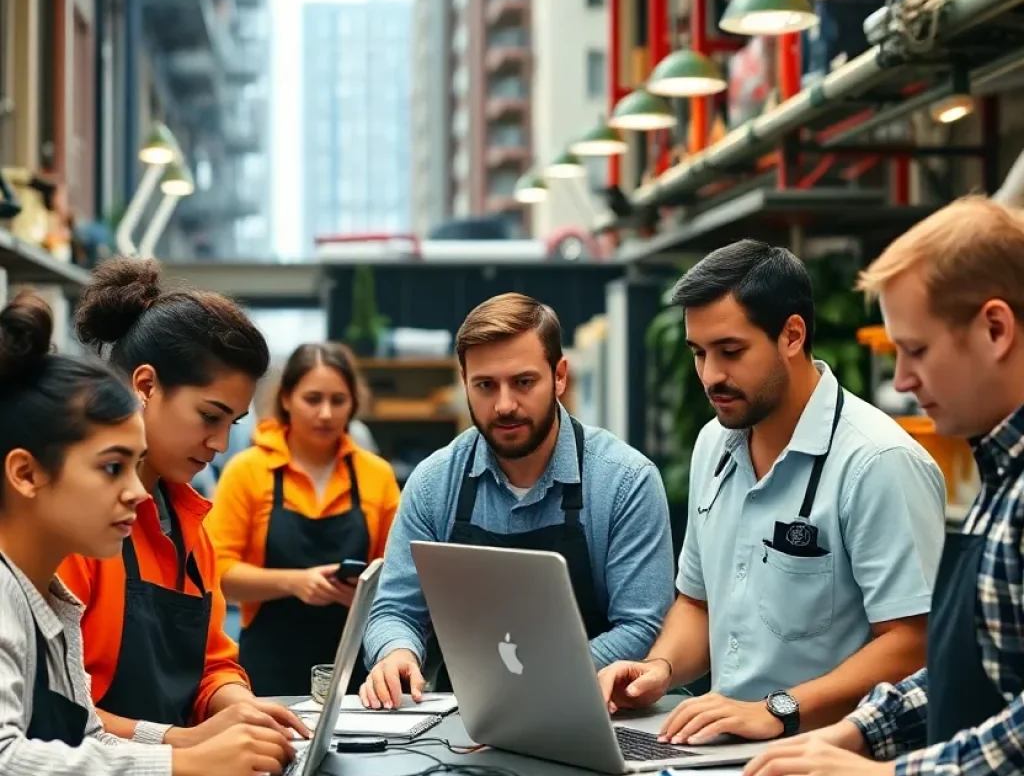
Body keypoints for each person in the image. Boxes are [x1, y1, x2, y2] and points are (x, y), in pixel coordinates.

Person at [737, 197, 1024, 776]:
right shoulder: (1000, 472)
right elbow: (966, 672)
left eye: (916, 349)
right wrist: (861, 732)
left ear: (996, 329)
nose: (900, 379)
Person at [599, 240, 946, 745]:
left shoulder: (877, 462)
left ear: (792, 335)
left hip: (832, 760)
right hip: (722, 751)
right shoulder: (713, 445)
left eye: (730, 351)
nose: (711, 375)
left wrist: (779, 710)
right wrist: (660, 667)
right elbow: (697, 605)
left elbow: (914, 644)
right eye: (698, 354)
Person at [0, 293, 292, 776]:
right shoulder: (33, 571)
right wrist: (188, 760)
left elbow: (85, 731)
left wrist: (230, 723)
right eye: (113, 467)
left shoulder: (60, 599)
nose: (221, 444)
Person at [360, 292, 675, 710]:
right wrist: (395, 652)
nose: (505, 405)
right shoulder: (434, 483)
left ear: (559, 376)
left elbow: (642, 626)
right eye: (485, 385)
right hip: (467, 721)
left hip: (594, 712)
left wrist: (537, 682)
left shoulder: (625, 481)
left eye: (523, 382)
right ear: (464, 382)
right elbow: (393, 611)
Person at [59, 257, 307, 746]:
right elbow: (58, 711)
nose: (218, 444)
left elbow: (213, 663)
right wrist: (182, 743)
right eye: (209, 416)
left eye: (231, 424)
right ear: (146, 386)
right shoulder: (71, 524)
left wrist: (244, 708)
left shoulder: (188, 524)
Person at [207, 342, 400, 695]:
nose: (326, 413)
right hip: (268, 667)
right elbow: (217, 573)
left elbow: (398, 575)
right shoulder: (248, 471)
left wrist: (364, 592)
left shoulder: (377, 475)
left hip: (357, 669)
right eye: (312, 399)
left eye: (338, 400)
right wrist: (297, 582)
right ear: (286, 399)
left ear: (353, 404)